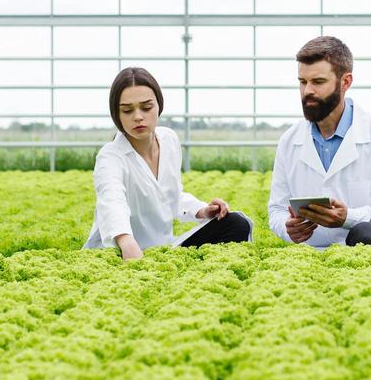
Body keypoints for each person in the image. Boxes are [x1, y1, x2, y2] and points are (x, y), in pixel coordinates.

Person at [84, 66, 253, 259]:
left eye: (146, 107)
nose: (138, 116)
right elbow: (112, 202)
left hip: (163, 250)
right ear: (117, 115)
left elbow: (172, 195)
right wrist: (126, 241)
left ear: (159, 106)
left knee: (236, 223)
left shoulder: (169, 140)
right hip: (122, 252)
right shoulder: (111, 156)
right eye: (127, 110)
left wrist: (202, 210)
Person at [268, 36, 371, 248]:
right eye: (302, 82)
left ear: (345, 82)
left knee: (365, 233)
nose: (307, 91)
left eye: (318, 82)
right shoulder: (289, 141)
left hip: (370, 255)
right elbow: (276, 209)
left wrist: (350, 217)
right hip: (313, 252)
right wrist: (287, 228)